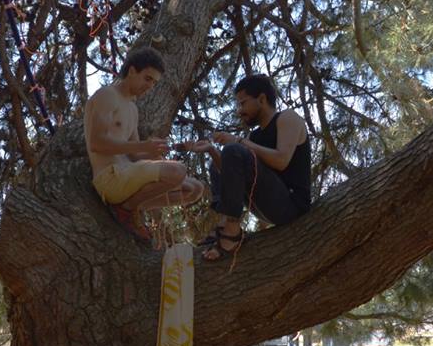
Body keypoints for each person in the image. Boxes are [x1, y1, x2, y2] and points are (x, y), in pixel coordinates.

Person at [185, 74, 311, 260]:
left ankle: (232, 233)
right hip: (264, 205)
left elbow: (281, 160)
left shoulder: (287, 118)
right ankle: (224, 223)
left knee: (233, 151)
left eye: (243, 103)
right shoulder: (254, 136)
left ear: (262, 99)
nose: (239, 111)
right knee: (218, 163)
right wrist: (211, 150)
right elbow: (231, 174)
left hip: (292, 205)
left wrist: (238, 141)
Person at [84, 47, 204, 241]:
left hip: (128, 173)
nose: (150, 86)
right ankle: (127, 209)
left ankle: (135, 208)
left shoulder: (133, 109)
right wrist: (143, 147)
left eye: (154, 82)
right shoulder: (107, 95)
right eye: (147, 79)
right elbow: (96, 143)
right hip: (109, 178)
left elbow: (134, 155)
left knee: (194, 189)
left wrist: (156, 151)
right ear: (132, 71)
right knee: (178, 171)